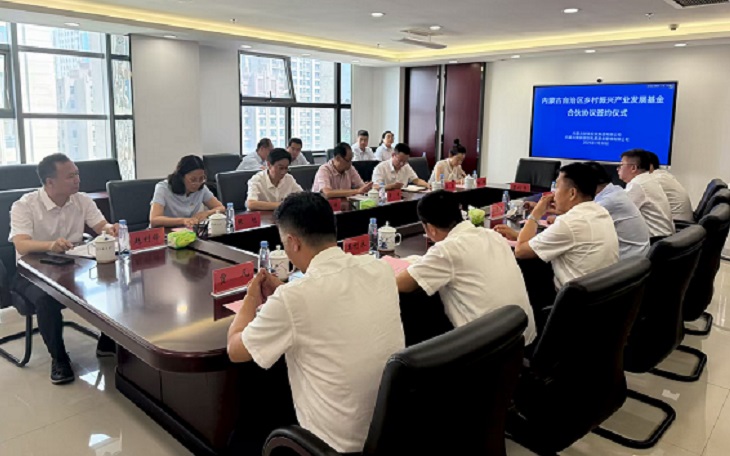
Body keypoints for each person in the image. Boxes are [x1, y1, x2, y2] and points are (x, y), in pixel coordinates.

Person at [227, 192, 405, 453]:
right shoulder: (379, 268)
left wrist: (251, 298)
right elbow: (329, 300)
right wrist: (284, 293)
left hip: (336, 444)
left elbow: (235, 350)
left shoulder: (294, 298)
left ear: (292, 242)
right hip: (391, 426)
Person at [9, 153, 120, 384]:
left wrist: (111, 228)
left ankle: (108, 341)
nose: (77, 180)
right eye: (70, 176)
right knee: (46, 298)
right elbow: (21, 244)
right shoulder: (24, 205)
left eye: (77, 174)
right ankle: (59, 359)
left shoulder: (82, 200)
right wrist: (51, 245)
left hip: (72, 268)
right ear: (50, 182)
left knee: (112, 281)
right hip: (31, 273)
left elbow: (100, 225)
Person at [396, 190, 536, 344]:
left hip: (491, 349)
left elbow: (402, 284)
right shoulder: (492, 235)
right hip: (523, 338)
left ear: (430, 228)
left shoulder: (447, 250)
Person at [495, 163, 619, 289]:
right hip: (600, 292)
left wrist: (536, 213)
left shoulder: (568, 223)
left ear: (572, 193)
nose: (553, 194)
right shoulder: (600, 211)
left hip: (571, 296)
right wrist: (518, 235)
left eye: (557, 187)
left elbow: (520, 251)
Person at [583, 162, 650, 259]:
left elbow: (577, 223)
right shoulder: (615, 191)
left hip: (628, 260)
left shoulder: (608, 201)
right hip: (635, 256)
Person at [150, 155, 225, 228]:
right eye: (193, 179)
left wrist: (206, 213)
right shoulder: (163, 188)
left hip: (187, 231)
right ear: (181, 177)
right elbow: (154, 220)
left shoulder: (202, 188)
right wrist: (183, 221)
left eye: (201, 179)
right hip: (164, 233)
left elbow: (221, 208)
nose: (197, 183)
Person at [618, 149, 675, 238]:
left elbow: (620, 212)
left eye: (621, 165)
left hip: (654, 239)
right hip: (665, 236)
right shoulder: (648, 179)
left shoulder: (638, 184)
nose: (618, 168)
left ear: (633, 168)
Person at [645, 151, 694, 222]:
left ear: (650, 166)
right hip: (684, 224)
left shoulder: (653, 180)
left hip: (677, 224)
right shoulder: (663, 176)